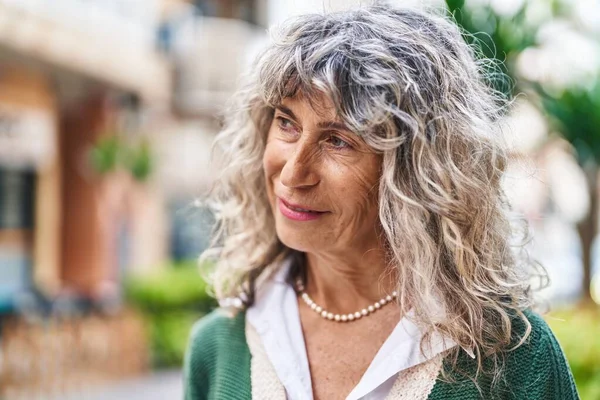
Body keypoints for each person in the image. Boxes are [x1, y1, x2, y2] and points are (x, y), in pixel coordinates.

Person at [183, 4, 579, 400]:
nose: (291, 173)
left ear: (419, 172)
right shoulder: (217, 347)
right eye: (287, 122)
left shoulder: (514, 359)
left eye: (338, 140)